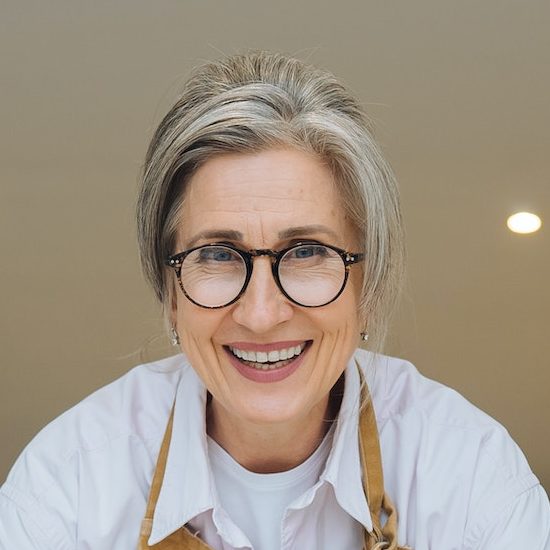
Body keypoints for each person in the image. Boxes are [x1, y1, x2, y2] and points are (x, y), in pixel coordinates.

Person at [0, 51, 548, 550]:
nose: (261, 315)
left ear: (368, 286)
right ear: (170, 296)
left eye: (307, 251)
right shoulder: (68, 486)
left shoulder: (470, 477)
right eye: (217, 254)